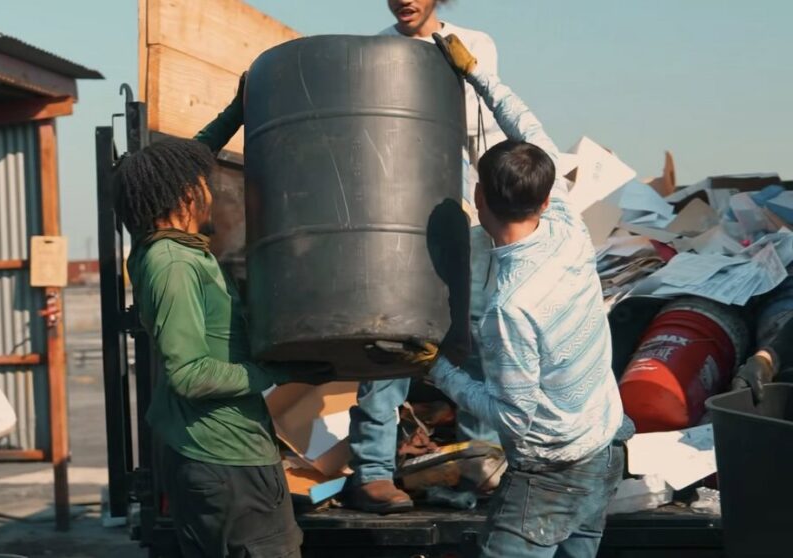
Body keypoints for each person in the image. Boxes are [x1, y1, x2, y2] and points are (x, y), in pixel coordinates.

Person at [427, 36, 628, 557]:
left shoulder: (510, 308)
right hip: (605, 447)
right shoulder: (567, 224)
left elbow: (515, 417)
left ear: (477, 197)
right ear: (543, 196)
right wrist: (479, 76)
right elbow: (530, 131)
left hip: (553, 476)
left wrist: (436, 370)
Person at [120, 89, 318, 554]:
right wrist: (277, 373)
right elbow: (189, 374)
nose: (211, 192)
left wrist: (236, 111)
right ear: (186, 194)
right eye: (203, 183)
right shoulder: (173, 264)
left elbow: (190, 156)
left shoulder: (155, 245)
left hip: (211, 453)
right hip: (225, 459)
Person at [343, 0, 506, 514]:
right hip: (392, 213)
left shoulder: (472, 45)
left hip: (462, 209)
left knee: (475, 335)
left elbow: (483, 135)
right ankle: (371, 472)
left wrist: (492, 210)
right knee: (388, 337)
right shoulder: (375, 49)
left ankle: (481, 461)